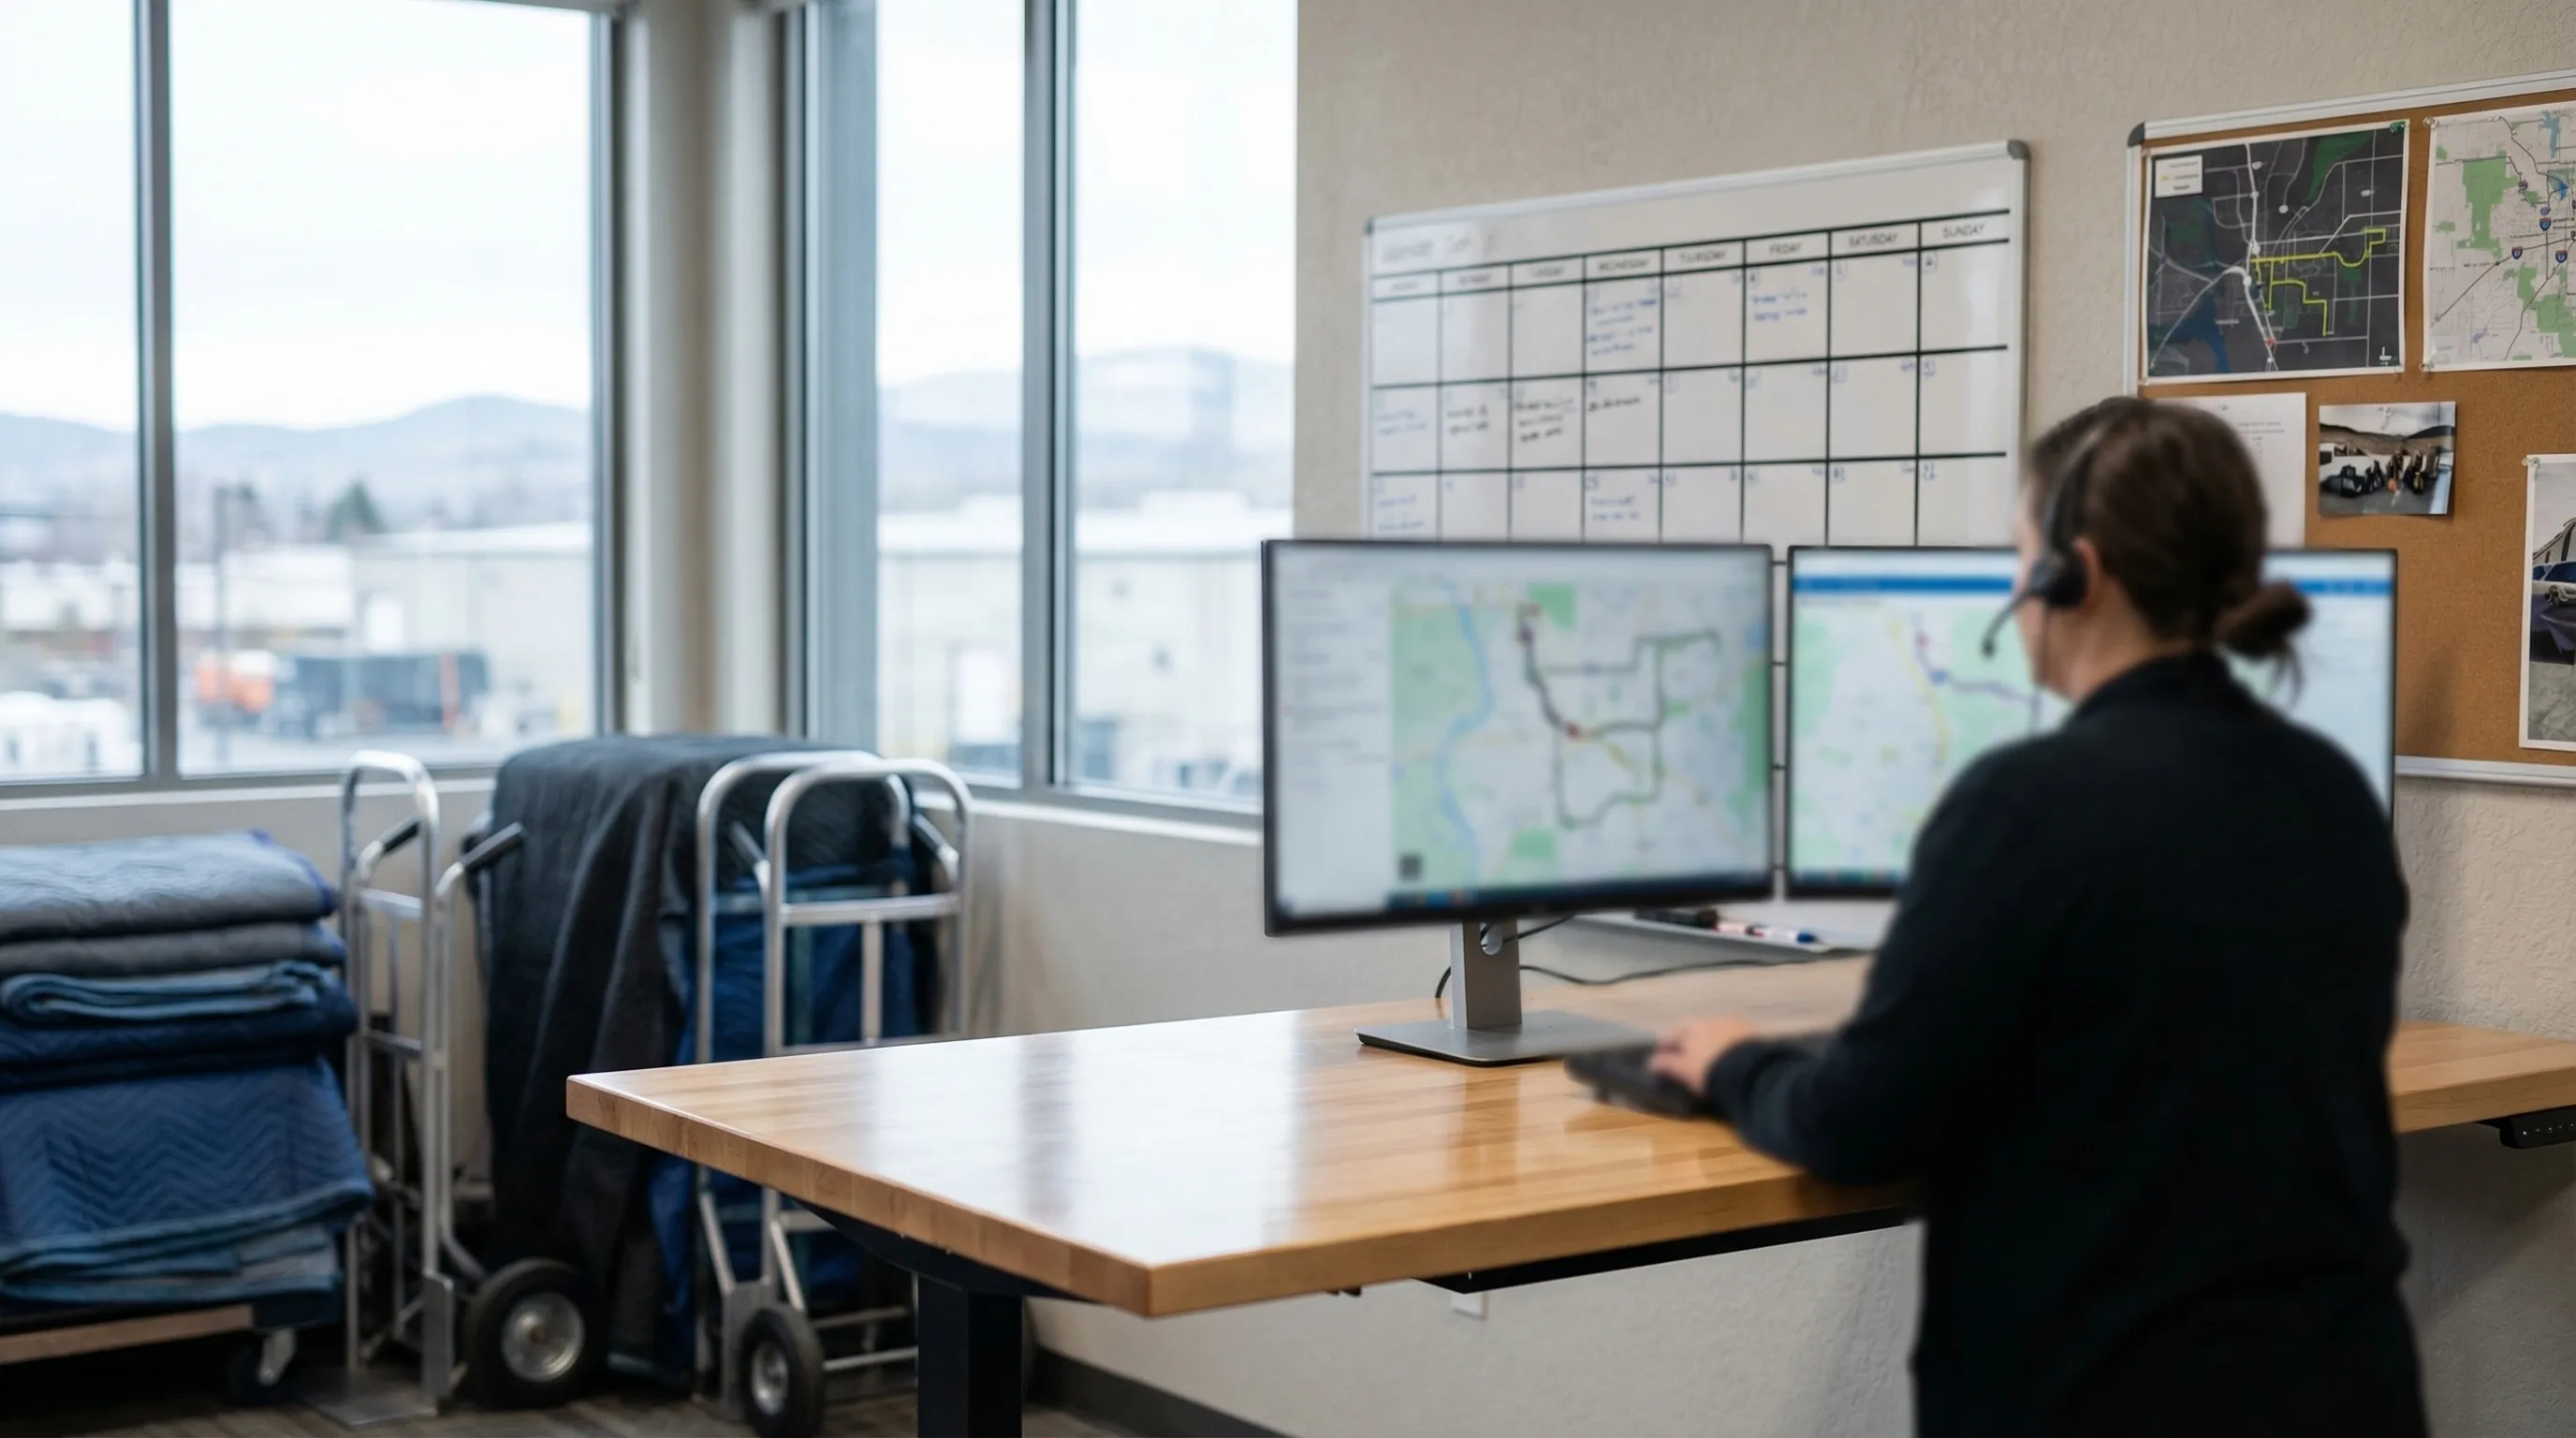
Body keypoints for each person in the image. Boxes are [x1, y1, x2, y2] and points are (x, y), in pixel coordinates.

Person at [1652, 397, 2423, 1436]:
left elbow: (1851, 1126)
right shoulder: (2328, 790)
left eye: (2022, 557)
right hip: (2343, 1392)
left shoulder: (2023, 807)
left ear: (2075, 574)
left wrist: (1734, 1063)